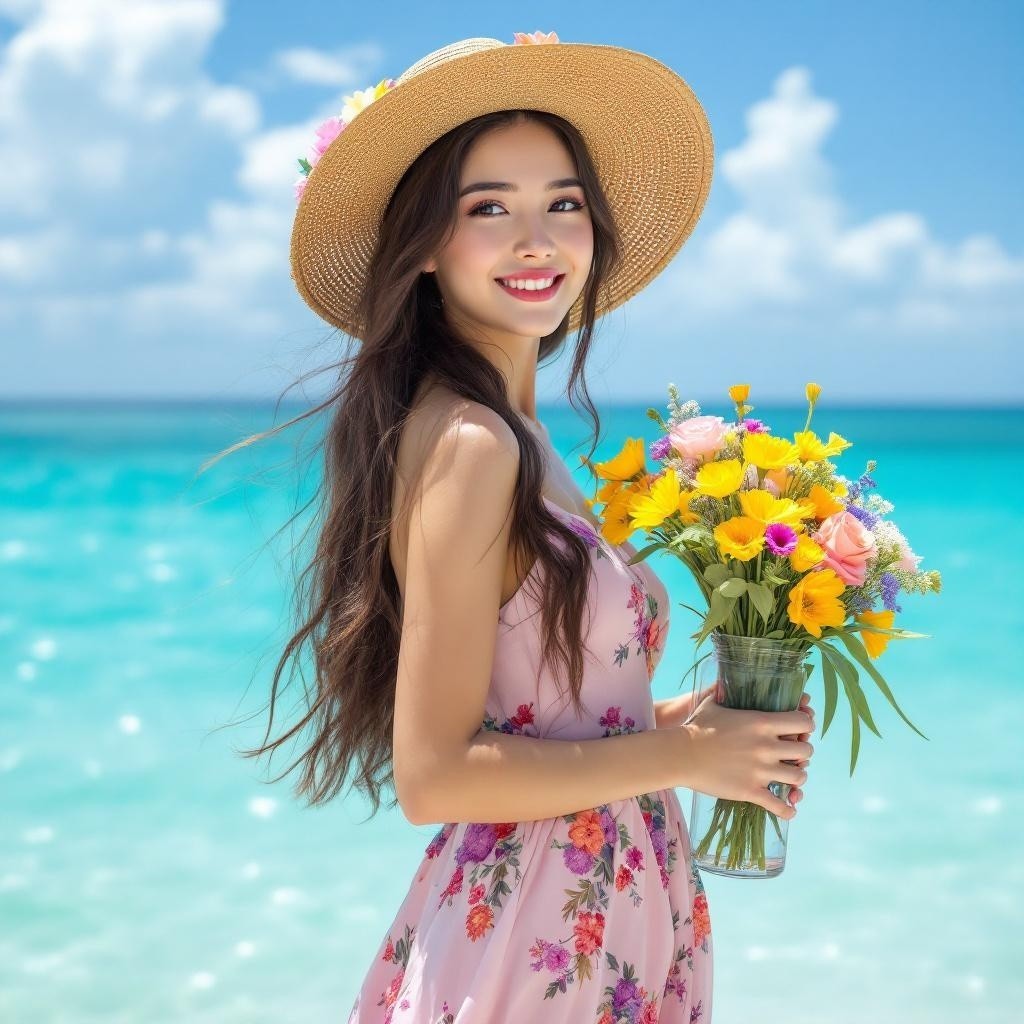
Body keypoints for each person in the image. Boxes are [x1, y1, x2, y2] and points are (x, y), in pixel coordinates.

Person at [245, 29, 816, 1023]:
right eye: (488, 209)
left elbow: (538, 714)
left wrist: (705, 725)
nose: (537, 239)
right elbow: (433, 773)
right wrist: (686, 761)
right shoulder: (471, 443)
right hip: (537, 937)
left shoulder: (512, 433)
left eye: (563, 203)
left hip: (598, 909)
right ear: (423, 245)